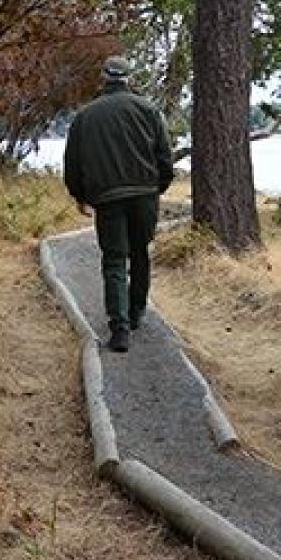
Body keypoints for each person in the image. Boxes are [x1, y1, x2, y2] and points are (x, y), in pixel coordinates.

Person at [63, 57, 174, 353]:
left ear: (104, 78)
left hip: (108, 198)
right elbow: (164, 156)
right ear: (129, 77)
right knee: (140, 253)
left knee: (114, 260)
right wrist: (157, 188)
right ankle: (137, 313)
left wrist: (80, 195)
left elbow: (72, 163)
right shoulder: (149, 110)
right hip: (144, 195)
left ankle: (120, 329)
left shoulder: (85, 116)